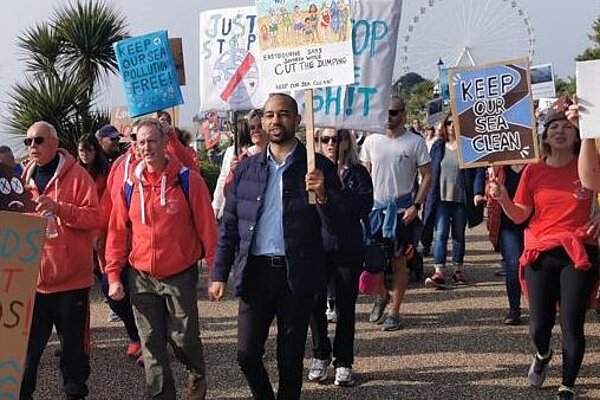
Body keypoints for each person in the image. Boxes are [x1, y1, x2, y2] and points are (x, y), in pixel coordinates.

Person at [209, 93, 342, 400]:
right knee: (246, 353)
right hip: (255, 273)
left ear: (296, 120)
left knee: (290, 359)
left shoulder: (316, 167)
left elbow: (339, 227)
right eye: (269, 115)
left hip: (296, 274)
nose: (275, 121)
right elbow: (230, 224)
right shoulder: (247, 168)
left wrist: (323, 196)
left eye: (283, 114)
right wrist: (218, 273)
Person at [489, 107, 600, 400]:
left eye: (567, 126)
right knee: (539, 324)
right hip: (540, 251)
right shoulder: (533, 170)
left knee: (572, 322)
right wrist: (502, 198)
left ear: (577, 134)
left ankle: (567, 385)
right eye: (554, 127)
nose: (560, 130)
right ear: (545, 137)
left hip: (580, 251)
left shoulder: (588, 164)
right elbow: (519, 215)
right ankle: (542, 354)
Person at [106, 119, 217, 400]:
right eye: (141, 142)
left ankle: (196, 374)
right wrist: (114, 275)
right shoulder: (130, 184)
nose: (146, 147)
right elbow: (117, 230)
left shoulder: (187, 179)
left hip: (179, 273)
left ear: (164, 142)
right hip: (141, 275)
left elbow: (207, 227)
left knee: (183, 339)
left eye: (152, 140)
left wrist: (217, 272)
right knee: (151, 344)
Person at [20, 121, 103, 400]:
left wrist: (60, 209)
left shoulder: (78, 177)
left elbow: (95, 217)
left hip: (71, 285)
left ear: (54, 143)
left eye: (39, 140)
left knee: (73, 356)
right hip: (33, 284)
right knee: (25, 356)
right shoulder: (20, 181)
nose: (33, 146)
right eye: (28, 141)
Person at [307, 128, 373, 386]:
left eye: (337, 138)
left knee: (346, 307)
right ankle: (320, 354)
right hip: (317, 247)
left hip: (348, 247)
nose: (331, 143)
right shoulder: (312, 172)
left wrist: (333, 192)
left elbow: (363, 207)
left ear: (347, 141)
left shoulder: (357, 173)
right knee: (314, 304)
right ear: (318, 142)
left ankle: (343, 360)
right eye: (325, 139)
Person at [360, 97, 432, 331]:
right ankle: (381, 296)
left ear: (403, 113)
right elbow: (365, 174)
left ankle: (395, 311)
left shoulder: (415, 142)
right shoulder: (371, 141)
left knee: (400, 262)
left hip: (402, 211)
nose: (388, 117)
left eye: (393, 112)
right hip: (376, 211)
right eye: (385, 112)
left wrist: (416, 205)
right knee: (373, 263)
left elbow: (427, 176)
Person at [77, 133, 143, 358]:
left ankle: (151, 342)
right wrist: (98, 232)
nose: (139, 143)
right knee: (110, 288)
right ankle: (135, 334)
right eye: (134, 137)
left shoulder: (168, 163)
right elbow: (107, 204)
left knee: (146, 296)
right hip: (113, 239)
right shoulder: (119, 166)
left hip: (145, 245)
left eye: (145, 138)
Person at [423, 113, 486, 287]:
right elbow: (429, 169)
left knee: (458, 235)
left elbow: (479, 171)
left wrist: (477, 192)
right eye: (449, 123)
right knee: (441, 234)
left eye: (455, 123)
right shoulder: (437, 146)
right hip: (441, 198)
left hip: (461, 199)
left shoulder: (469, 147)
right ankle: (439, 271)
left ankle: (458, 271)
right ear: (444, 126)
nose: (452, 126)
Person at [486, 164, 526, 325]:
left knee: (537, 266)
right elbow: (491, 196)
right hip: (508, 225)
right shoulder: (499, 168)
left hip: (535, 222)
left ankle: (543, 306)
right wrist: (491, 192)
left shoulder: (537, 164)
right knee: (513, 265)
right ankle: (514, 309)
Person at [212, 118, 253, 219]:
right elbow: (223, 178)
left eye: (234, 133)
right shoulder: (230, 151)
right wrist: (216, 205)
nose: (232, 136)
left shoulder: (253, 152)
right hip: (229, 202)